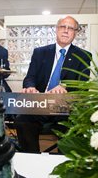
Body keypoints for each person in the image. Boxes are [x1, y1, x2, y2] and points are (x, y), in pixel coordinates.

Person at [16, 15, 91, 152]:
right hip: (41, 103)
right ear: (56, 29)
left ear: (75, 33)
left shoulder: (84, 56)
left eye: (71, 28)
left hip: (65, 107)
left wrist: (65, 87)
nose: (66, 31)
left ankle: (63, 162)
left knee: (74, 124)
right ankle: (32, 158)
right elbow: (29, 77)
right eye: (63, 27)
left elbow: (83, 85)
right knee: (22, 118)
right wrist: (30, 87)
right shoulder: (40, 52)